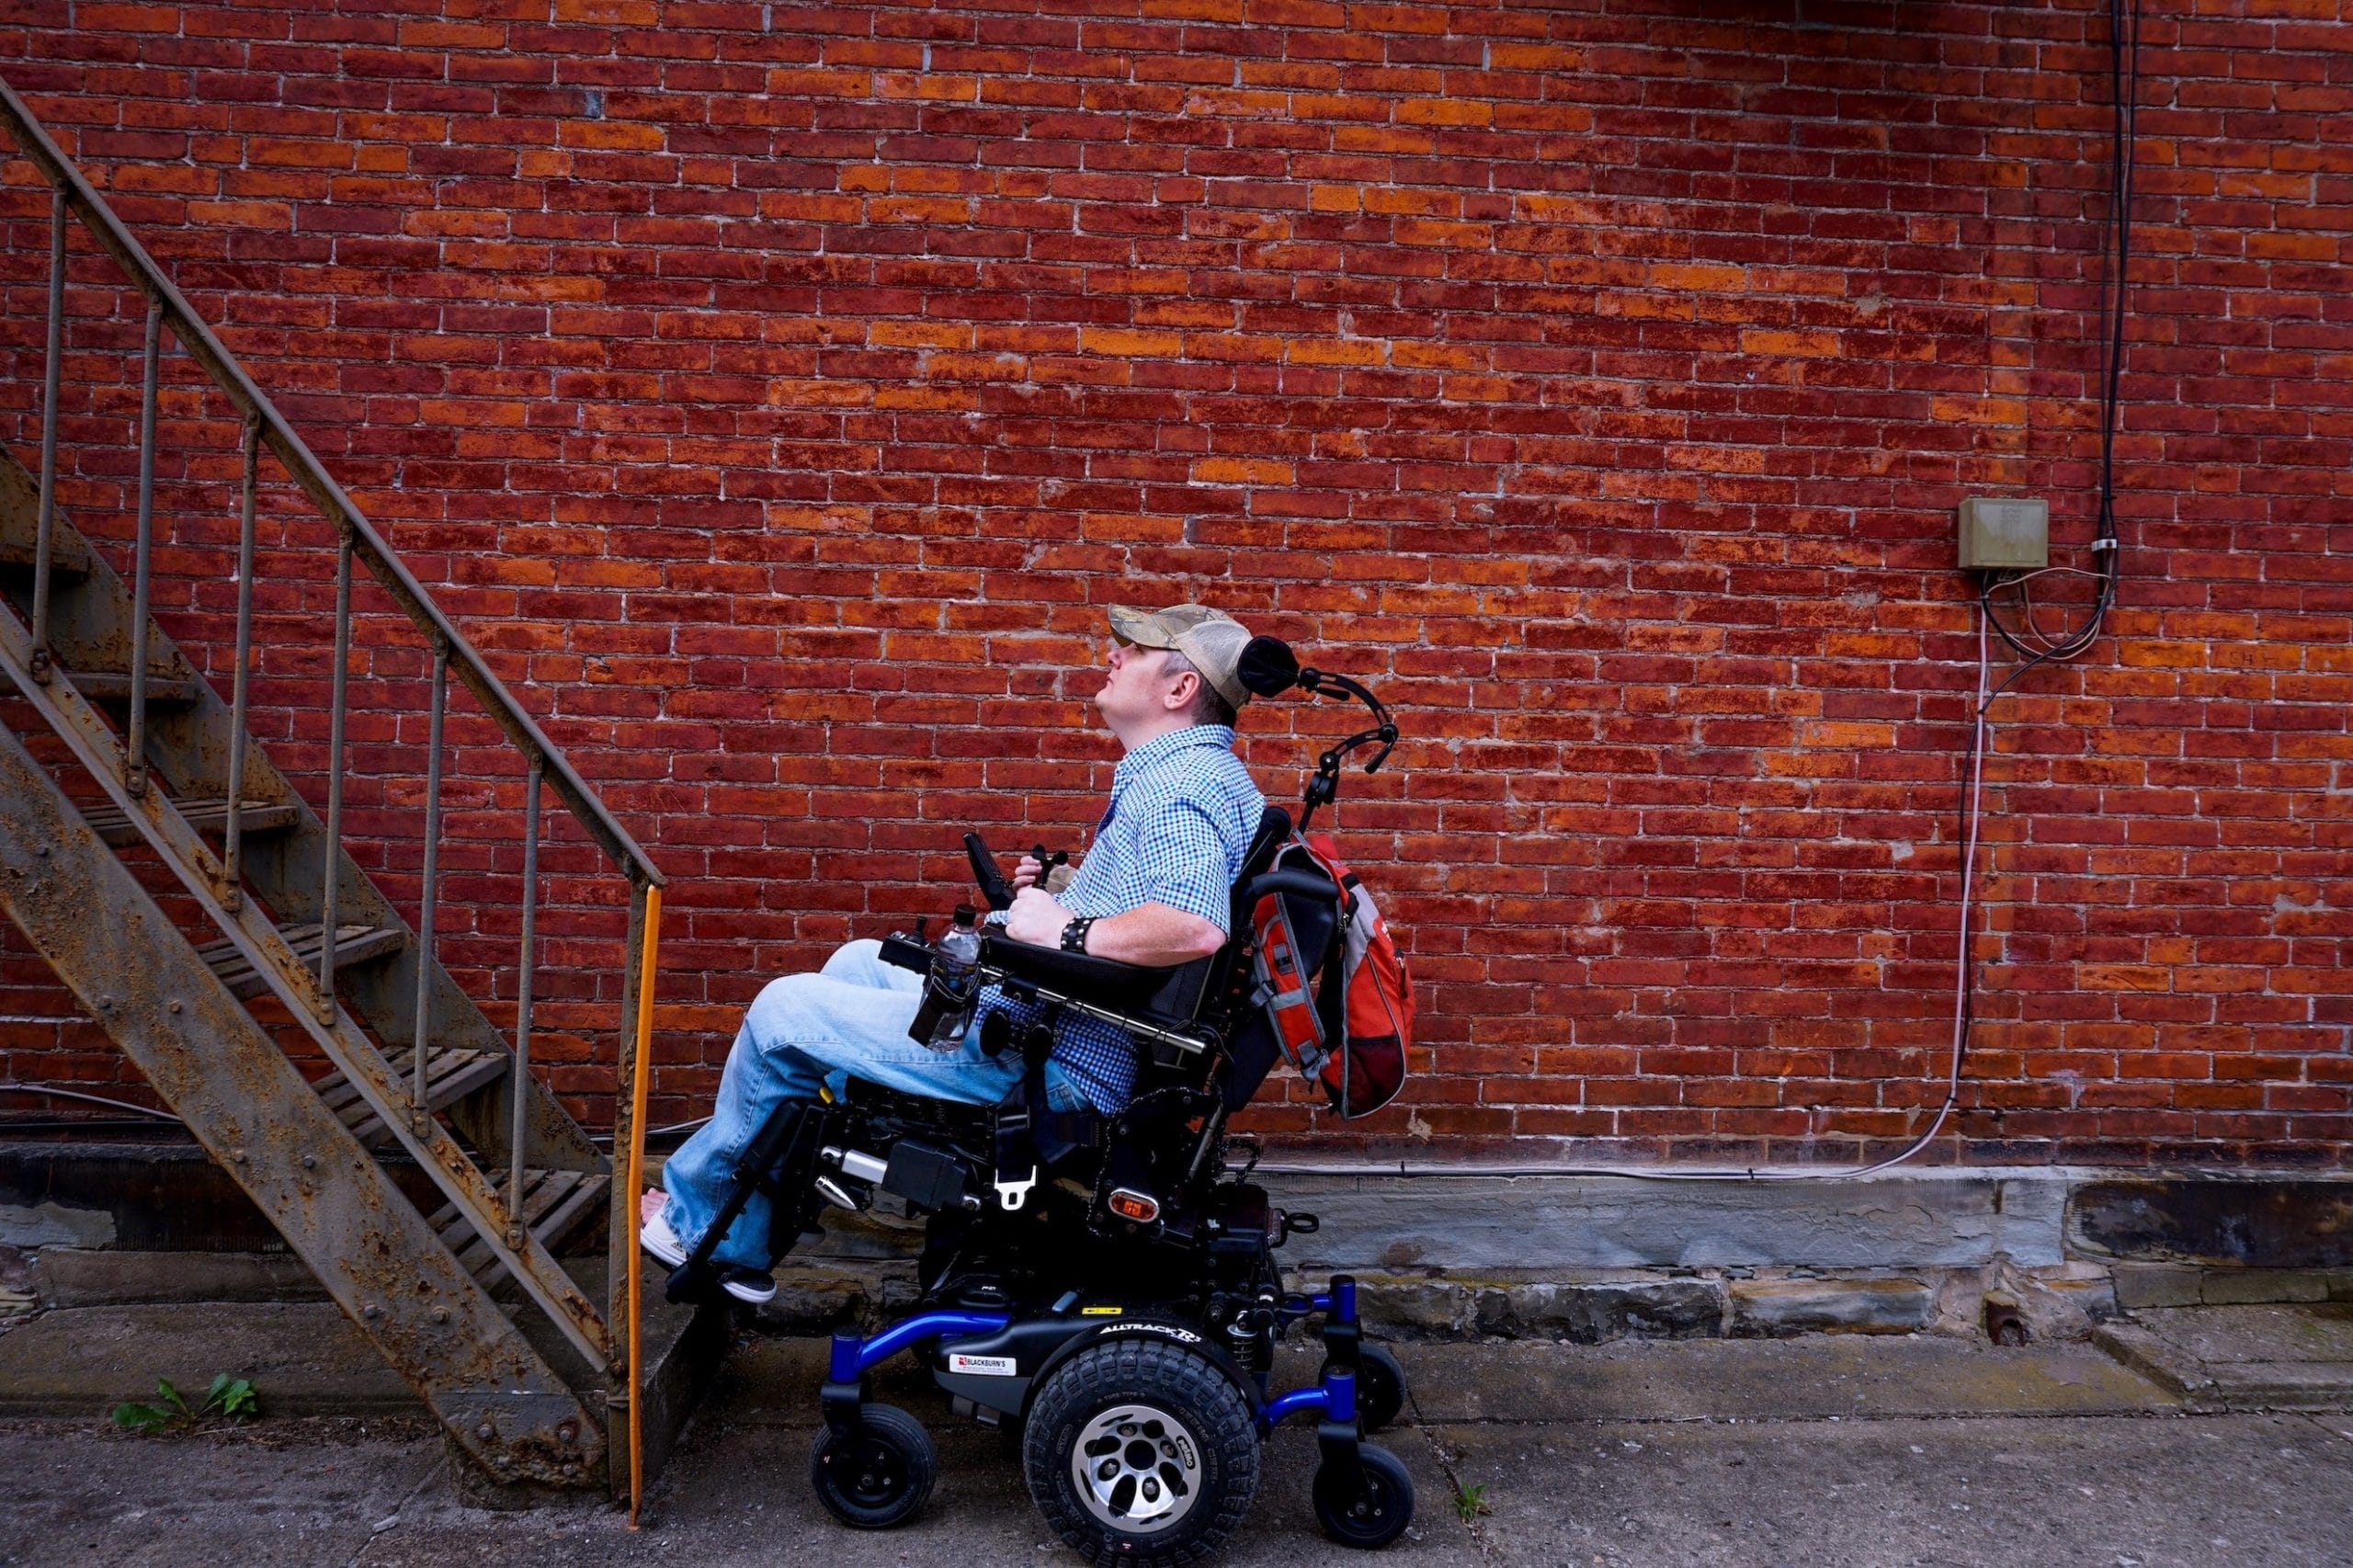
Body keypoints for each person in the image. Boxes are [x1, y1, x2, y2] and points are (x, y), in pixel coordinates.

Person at [641, 603, 1270, 1301]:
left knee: (782, 1013)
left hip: (1054, 1064)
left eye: (1136, 650)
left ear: (1179, 690)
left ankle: (715, 1238)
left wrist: (1063, 932)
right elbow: (1158, 900)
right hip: (1061, 1027)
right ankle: (782, 1187)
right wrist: (1065, 894)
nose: (1114, 656)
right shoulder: (1197, 775)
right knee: (859, 960)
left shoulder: (1178, 784)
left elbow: (1193, 924)